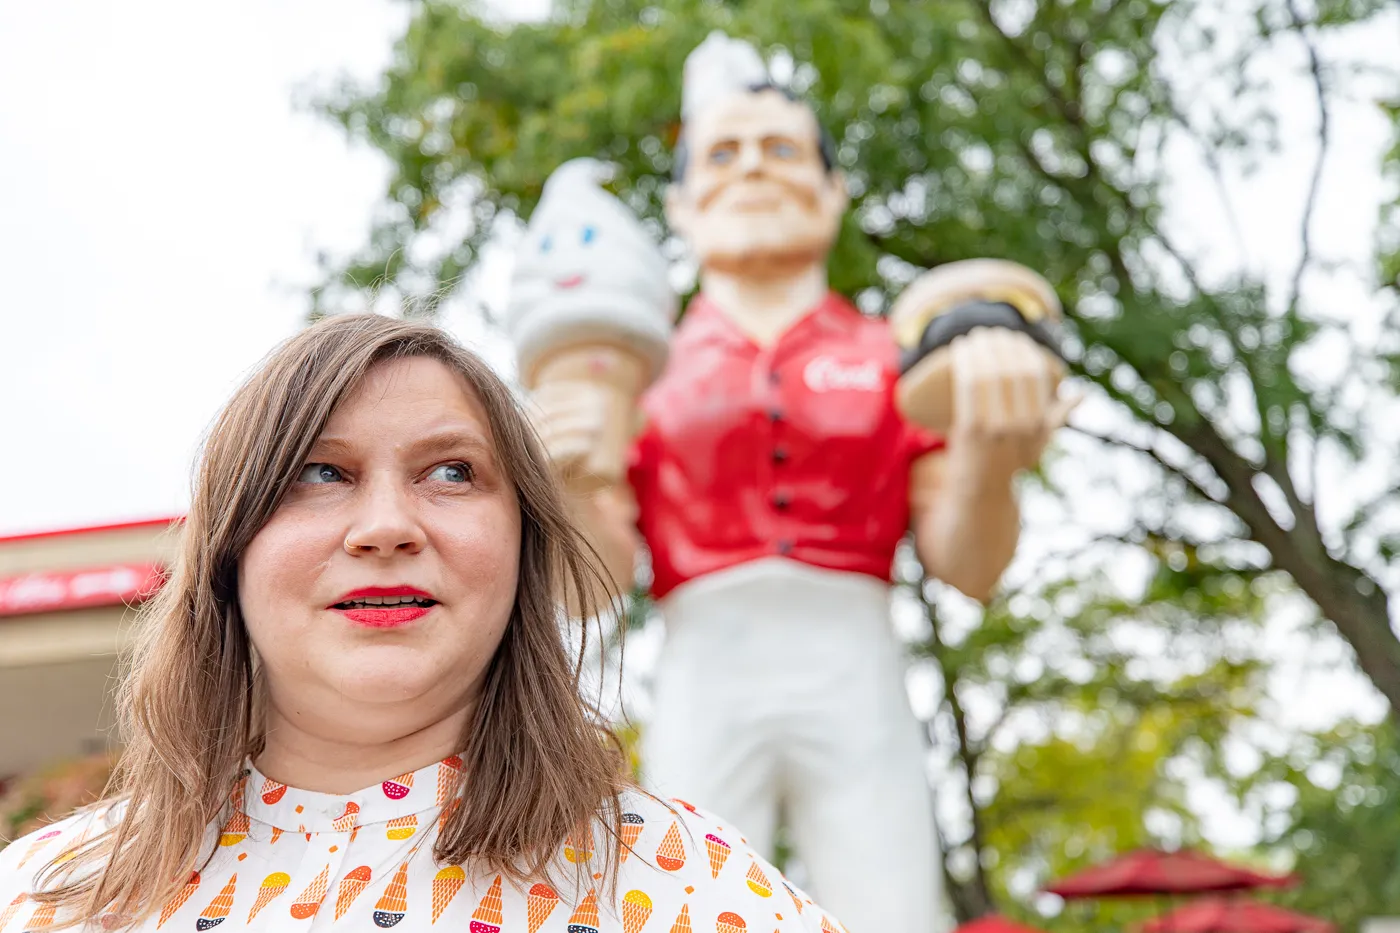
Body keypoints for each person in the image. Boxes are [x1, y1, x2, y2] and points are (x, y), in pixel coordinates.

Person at [0, 315, 848, 933]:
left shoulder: (684, 884)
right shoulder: (44, 892)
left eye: (451, 471)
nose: (386, 526)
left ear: (522, 546)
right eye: (320, 472)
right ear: (229, 553)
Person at [529, 33, 1073, 933]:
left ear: (832, 190)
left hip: (854, 658)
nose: (752, 170)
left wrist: (987, 457)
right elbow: (593, 588)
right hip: (704, 659)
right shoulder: (632, 368)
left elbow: (970, 567)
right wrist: (570, 491)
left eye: (781, 150)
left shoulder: (899, 355)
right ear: (682, 201)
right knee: (684, 905)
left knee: (893, 900)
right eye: (723, 154)